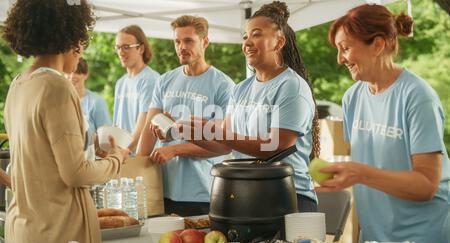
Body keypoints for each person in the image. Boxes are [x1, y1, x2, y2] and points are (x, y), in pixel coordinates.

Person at [319, 4, 450, 243]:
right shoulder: (352, 97)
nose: (340, 59)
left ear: (378, 45)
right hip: (373, 239)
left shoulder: (418, 96)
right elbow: (370, 166)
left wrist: (360, 173)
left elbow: (426, 185)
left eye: (345, 48)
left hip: (422, 240)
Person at [2, 0, 129, 243]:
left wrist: (91, 151)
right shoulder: (57, 87)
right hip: (59, 234)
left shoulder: (17, 86)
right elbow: (75, 173)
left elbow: (40, 165)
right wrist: (116, 159)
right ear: (70, 36)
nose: (82, 47)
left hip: (25, 231)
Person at [176, 1, 321, 212]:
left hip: (289, 197)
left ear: (279, 42)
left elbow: (275, 146)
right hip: (247, 194)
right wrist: (188, 132)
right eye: (245, 37)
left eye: (257, 34)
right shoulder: (241, 89)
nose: (248, 42)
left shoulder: (291, 86)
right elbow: (225, 145)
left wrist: (212, 130)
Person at [137, 15, 235, 216]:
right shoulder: (164, 81)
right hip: (162, 189)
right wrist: (136, 170)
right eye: (177, 41)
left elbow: (223, 144)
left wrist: (175, 149)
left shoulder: (224, 86)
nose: (181, 46)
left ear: (205, 42)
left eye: (189, 40)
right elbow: (148, 134)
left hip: (201, 192)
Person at [113, 25, 160, 152]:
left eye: (126, 47)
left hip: (138, 158)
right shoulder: (120, 83)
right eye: (118, 47)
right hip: (122, 156)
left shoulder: (150, 80)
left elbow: (144, 127)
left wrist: (121, 153)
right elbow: (117, 126)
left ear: (141, 48)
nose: (121, 52)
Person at [68, 58, 111, 159]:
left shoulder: (96, 102)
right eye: (69, 72)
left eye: (77, 73)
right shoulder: (61, 102)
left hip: (93, 161)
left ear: (86, 75)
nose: (72, 76)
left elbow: (106, 138)